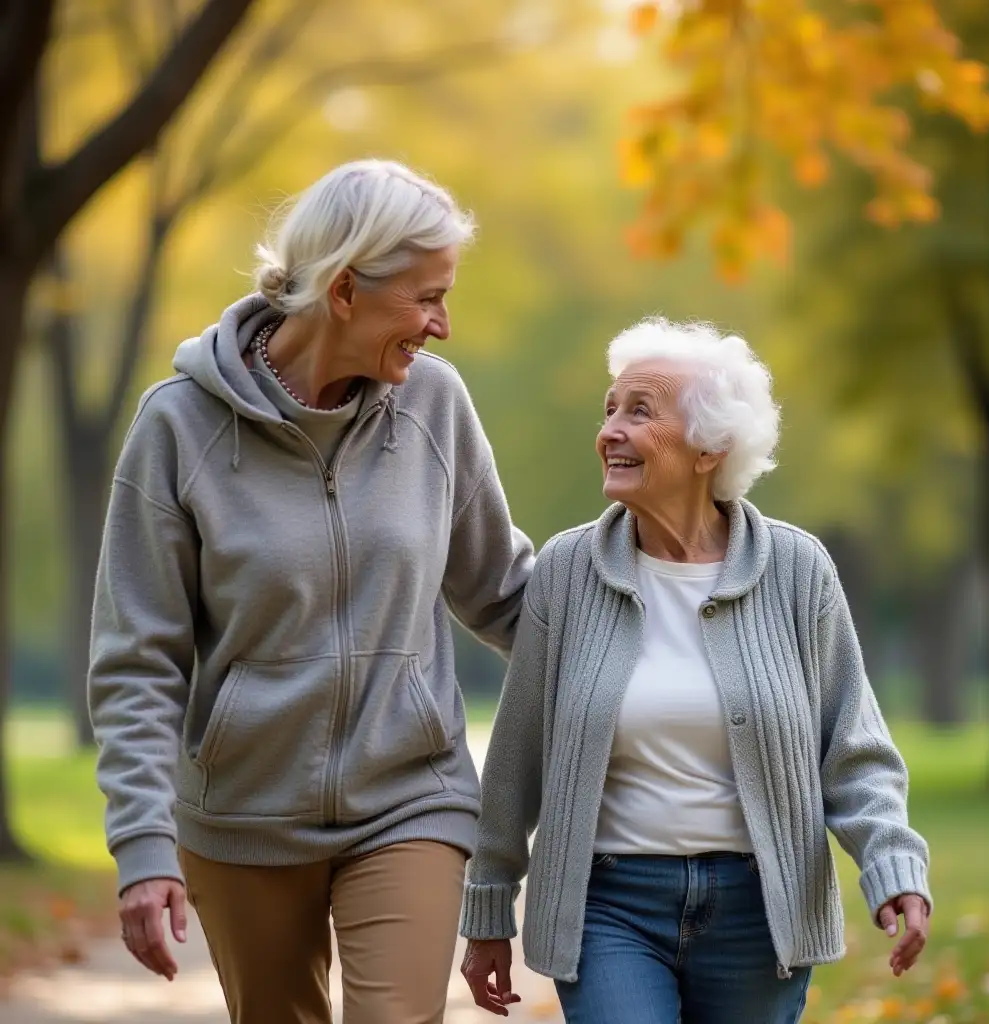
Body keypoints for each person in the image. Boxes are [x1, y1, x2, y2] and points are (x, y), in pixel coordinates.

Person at [89, 159, 534, 1024]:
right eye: (427, 297)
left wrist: (646, 637)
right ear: (342, 293)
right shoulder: (178, 427)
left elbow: (507, 593)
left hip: (411, 794)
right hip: (243, 814)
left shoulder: (434, 408)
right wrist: (144, 846)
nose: (441, 325)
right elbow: (137, 661)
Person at [459, 318, 931, 1023]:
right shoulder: (566, 570)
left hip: (758, 909)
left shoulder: (796, 572)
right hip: (608, 904)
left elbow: (853, 747)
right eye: (610, 409)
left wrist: (893, 866)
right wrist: (490, 903)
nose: (610, 430)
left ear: (711, 446)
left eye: (639, 411)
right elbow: (517, 756)